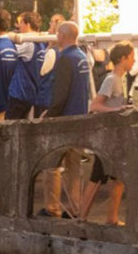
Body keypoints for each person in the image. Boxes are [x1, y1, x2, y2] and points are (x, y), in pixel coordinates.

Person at [40, 21, 90, 219]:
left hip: (64, 119)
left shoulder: (66, 59)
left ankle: (52, 207)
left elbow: (60, 92)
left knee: (52, 164)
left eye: (57, 33)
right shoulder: (82, 57)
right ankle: (74, 207)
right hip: (79, 116)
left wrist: (50, 114)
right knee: (74, 166)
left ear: (62, 35)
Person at [81, 42, 134, 224]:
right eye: (132, 57)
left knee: (117, 177)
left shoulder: (122, 79)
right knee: (97, 177)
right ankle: (82, 216)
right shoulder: (111, 79)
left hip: (116, 136)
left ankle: (111, 217)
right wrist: (118, 109)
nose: (134, 60)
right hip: (108, 137)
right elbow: (95, 105)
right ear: (123, 58)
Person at [6, 11, 44, 119]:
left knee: (10, 125)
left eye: (20, 23)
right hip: (31, 92)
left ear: (27, 24)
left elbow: (8, 51)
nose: (18, 26)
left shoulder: (27, 42)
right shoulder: (42, 41)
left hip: (20, 92)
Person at [35, 14, 65, 117]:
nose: (49, 29)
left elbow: (42, 73)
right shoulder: (65, 52)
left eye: (51, 24)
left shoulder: (52, 52)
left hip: (45, 99)